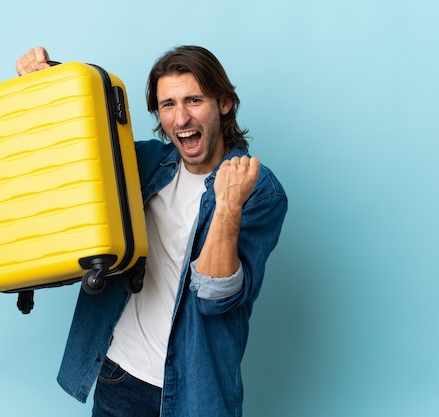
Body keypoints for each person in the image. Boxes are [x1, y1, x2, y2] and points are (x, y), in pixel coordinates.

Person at [15, 45, 288, 417]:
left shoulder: (259, 191)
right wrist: (44, 80)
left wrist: (227, 207)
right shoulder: (143, 163)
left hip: (196, 390)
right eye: (168, 104)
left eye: (193, 100)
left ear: (224, 103)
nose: (181, 118)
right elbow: (80, 137)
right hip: (118, 375)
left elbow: (214, 297)